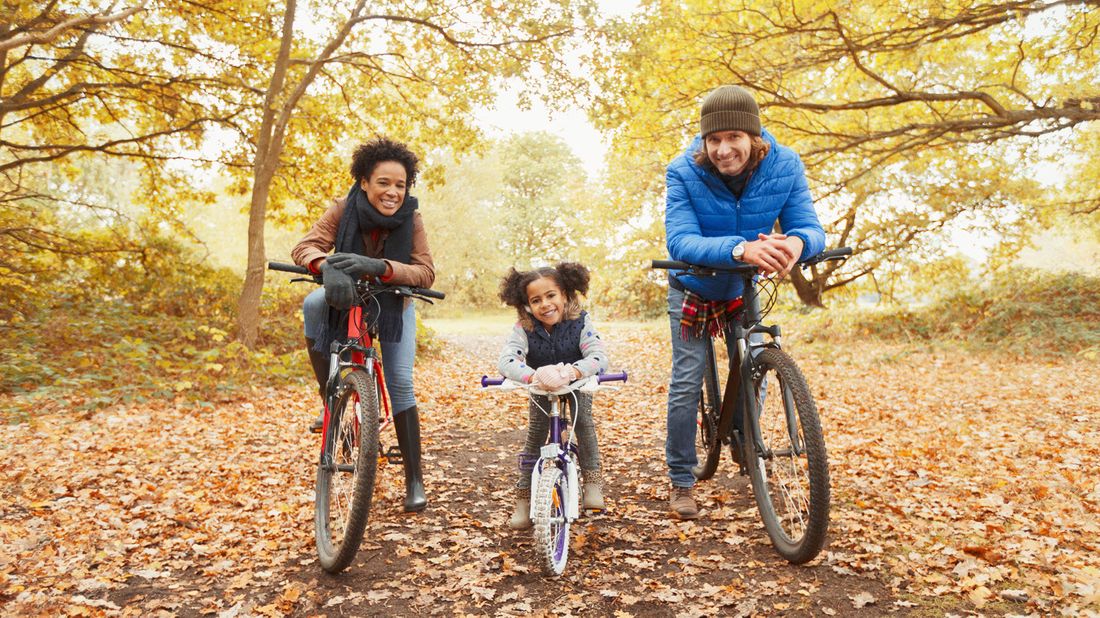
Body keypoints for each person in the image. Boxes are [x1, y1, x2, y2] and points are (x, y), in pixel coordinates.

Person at [663, 85, 825, 519]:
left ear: (754, 137)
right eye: (713, 140)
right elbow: (680, 240)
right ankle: (682, 478)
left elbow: (809, 227)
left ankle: (745, 436)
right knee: (686, 378)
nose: (722, 149)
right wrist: (740, 249)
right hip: (693, 287)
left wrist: (795, 243)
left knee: (757, 362)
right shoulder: (682, 171)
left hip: (744, 288)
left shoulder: (785, 164)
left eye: (732, 137)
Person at [291, 137, 435, 513]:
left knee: (401, 383)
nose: (392, 192)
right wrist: (325, 267)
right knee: (312, 303)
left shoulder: (412, 219)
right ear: (364, 182)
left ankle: (414, 479)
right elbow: (305, 246)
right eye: (383, 182)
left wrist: (382, 268)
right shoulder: (343, 208)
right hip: (345, 295)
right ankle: (331, 399)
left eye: (400, 185)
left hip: (393, 302)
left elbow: (425, 271)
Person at [497, 262, 609, 529]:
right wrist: (532, 376)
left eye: (551, 296)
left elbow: (598, 356)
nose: (545, 304)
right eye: (536, 300)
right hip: (541, 387)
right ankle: (523, 500)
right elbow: (507, 360)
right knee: (535, 435)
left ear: (565, 294)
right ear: (526, 305)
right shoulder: (524, 328)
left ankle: (593, 483)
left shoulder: (580, 321)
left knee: (583, 423)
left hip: (575, 383)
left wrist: (574, 371)